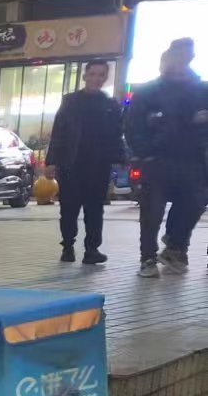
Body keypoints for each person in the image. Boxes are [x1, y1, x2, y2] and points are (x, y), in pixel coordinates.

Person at [124, 37, 208, 277]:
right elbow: (132, 125)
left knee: (193, 204)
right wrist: (144, 153)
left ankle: (175, 246)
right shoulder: (149, 91)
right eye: (178, 54)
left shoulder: (201, 90)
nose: (183, 59)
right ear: (169, 56)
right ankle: (148, 258)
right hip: (157, 159)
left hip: (192, 159)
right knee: (152, 211)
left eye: (188, 55)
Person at [46, 59, 125, 265]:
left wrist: (120, 158)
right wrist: (51, 161)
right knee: (69, 208)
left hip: (99, 166)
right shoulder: (70, 102)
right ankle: (68, 246)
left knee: (95, 209)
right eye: (92, 74)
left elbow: (117, 134)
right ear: (84, 76)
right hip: (71, 164)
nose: (96, 79)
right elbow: (58, 132)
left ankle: (92, 250)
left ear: (106, 78)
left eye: (101, 75)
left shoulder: (111, 105)